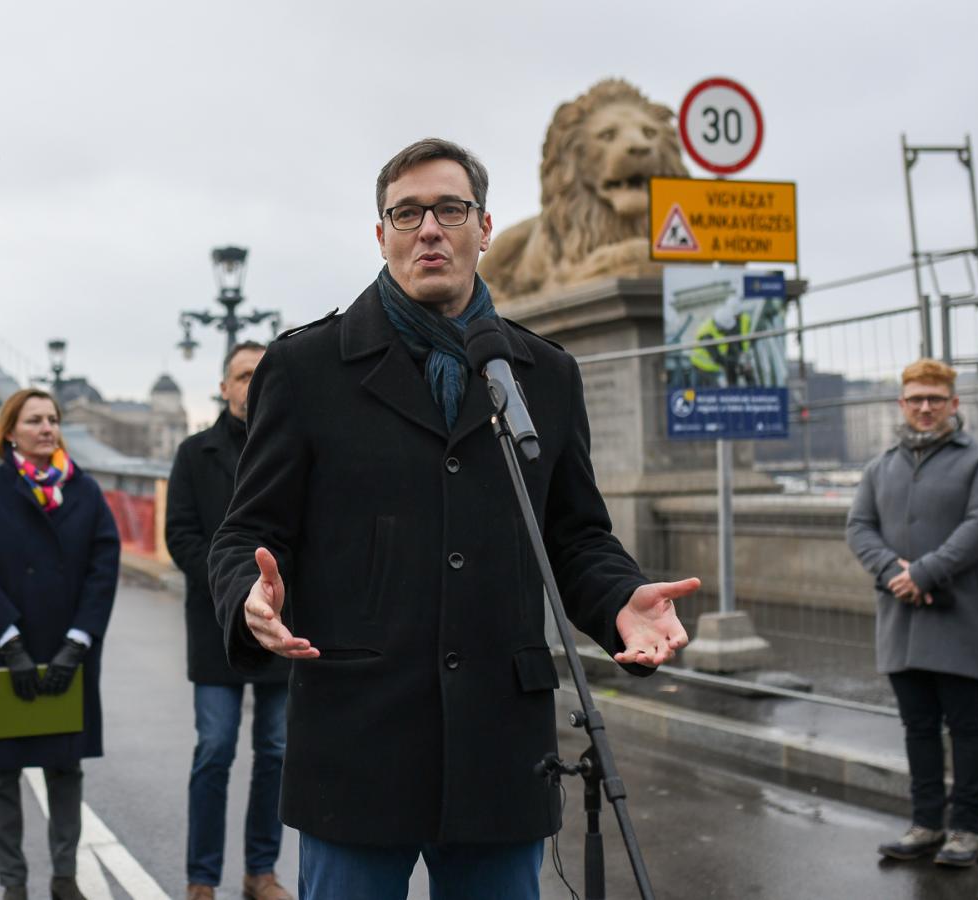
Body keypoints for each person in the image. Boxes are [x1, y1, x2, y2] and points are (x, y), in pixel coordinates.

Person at [208, 138, 695, 900]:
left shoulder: (545, 375)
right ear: (381, 235)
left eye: (449, 209)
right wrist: (247, 593)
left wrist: (618, 599)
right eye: (406, 213)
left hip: (500, 749)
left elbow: (574, 535)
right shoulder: (306, 369)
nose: (428, 228)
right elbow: (246, 530)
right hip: (357, 746)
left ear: (485, 227)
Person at [0, 388, 121, 900]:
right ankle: (13, 883)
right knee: (2, 774)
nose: (47, 428)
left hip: (68, 648)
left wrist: (79, 640)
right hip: (3, 650)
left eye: (53, 419)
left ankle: (65, 877)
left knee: (64, 766)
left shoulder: (85, 492)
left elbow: (103, 568)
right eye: (34, 420)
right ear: (9, 431)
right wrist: (10, 641)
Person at [847, 359, 978, 868]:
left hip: (959, 618)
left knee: (965, 727)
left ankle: (965, 829)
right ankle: (925, 824)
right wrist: (894, 570)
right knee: (917, 727)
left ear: (953, 404)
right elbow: (859, 527)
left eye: (934, 399)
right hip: (900, 620)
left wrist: (922, 574)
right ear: (902, 403)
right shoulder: (881, 467)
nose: (924, 408)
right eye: (915, 398)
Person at [165, 341, 292, 900]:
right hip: (217, 628)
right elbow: (181, 535)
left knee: (277, 752)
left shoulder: (290, 446)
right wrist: (232, 592)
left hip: (281, 624)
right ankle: (201, 878)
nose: (250, 385)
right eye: (241, 376)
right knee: (214, 750)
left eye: (259, 376)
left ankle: (260, 872)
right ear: (223, 387)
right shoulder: (195, 453)